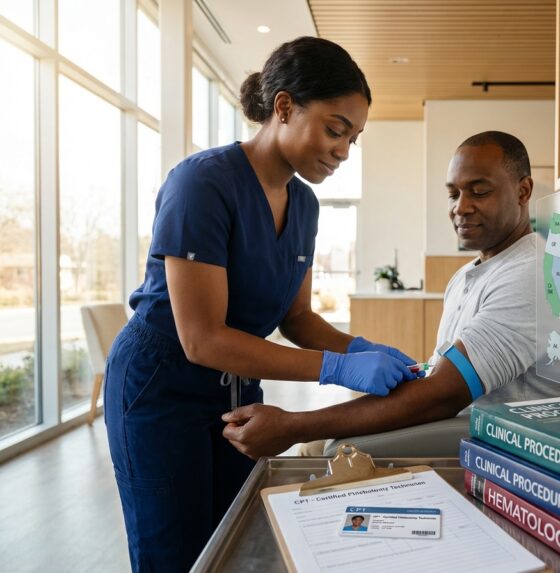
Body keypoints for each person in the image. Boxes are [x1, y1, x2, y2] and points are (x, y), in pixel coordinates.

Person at [104, 36, 420, 572]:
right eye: (335, 129)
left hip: (234, 391)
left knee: (235, 541)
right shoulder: (202, 184)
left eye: (353, 138)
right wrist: (339, 367)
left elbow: (297, 318)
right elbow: (201, 339)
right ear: (284, 107)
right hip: (160, 387)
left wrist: (365, 348)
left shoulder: (304, 204)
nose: (343, 150)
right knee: (175, 554)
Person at [222, 131, 560, 459]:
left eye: (479, 191)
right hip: (453, 417)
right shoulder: (470, 274)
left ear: (523, 192)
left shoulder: (532, 275)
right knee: (316, 446)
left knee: (322, 448)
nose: (460, 207)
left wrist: (292, 425)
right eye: (454, 193)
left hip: (491, 440)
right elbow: (443, 377)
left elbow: (444, 395)